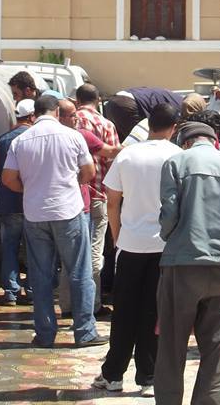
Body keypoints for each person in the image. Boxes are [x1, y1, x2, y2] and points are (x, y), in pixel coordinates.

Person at [155, 122, 220, 405]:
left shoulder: (176, 162)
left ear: (185, 141)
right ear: (215, 141)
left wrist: (168, 236)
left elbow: (169, 214)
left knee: (172, 345)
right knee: (215, 348)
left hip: (183, 263)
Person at [2, 94, 106, 348]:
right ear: (57, 112)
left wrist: (30, 190)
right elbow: (89, 173)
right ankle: (84, 331)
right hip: (68, 211)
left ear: (35, 113)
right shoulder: (72, 136)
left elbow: (8, 178)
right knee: (79, 272)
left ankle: (45, 334)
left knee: (40, 275)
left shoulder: (21, 139)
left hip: (35, 213)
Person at [92, 104, 180, 397]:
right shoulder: (178, 157)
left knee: (124, 312)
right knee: (154, 312)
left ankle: (113, 374)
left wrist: (117, 237)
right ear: (174, 128)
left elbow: (113, 201)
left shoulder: (127, 154)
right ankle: (149, 374)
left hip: (129, 244)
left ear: (148, 125)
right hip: (165, 246)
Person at [73, 83, 120, 316]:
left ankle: (69, 304)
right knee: (94, 250)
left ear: (77, 99)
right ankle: (92, 304)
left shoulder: (71, 120)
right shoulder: (107, 124)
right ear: (98, 99)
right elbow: (113, 163)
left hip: (72, 195)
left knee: (71, 251)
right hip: (99, 194)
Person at [0, 99, 35, 305]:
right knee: (33, 247)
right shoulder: (34, 138)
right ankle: (33, 289)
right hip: (31, 202)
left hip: (8, 202)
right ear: (32, 117)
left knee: (9, 246)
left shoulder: (2, 139)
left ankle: (10, 292)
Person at [102, 87, 183, 142]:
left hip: (112, 102)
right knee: (140, 141)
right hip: (127, 104)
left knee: (123, 143)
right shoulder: (182, 107)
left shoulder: (175, 99)